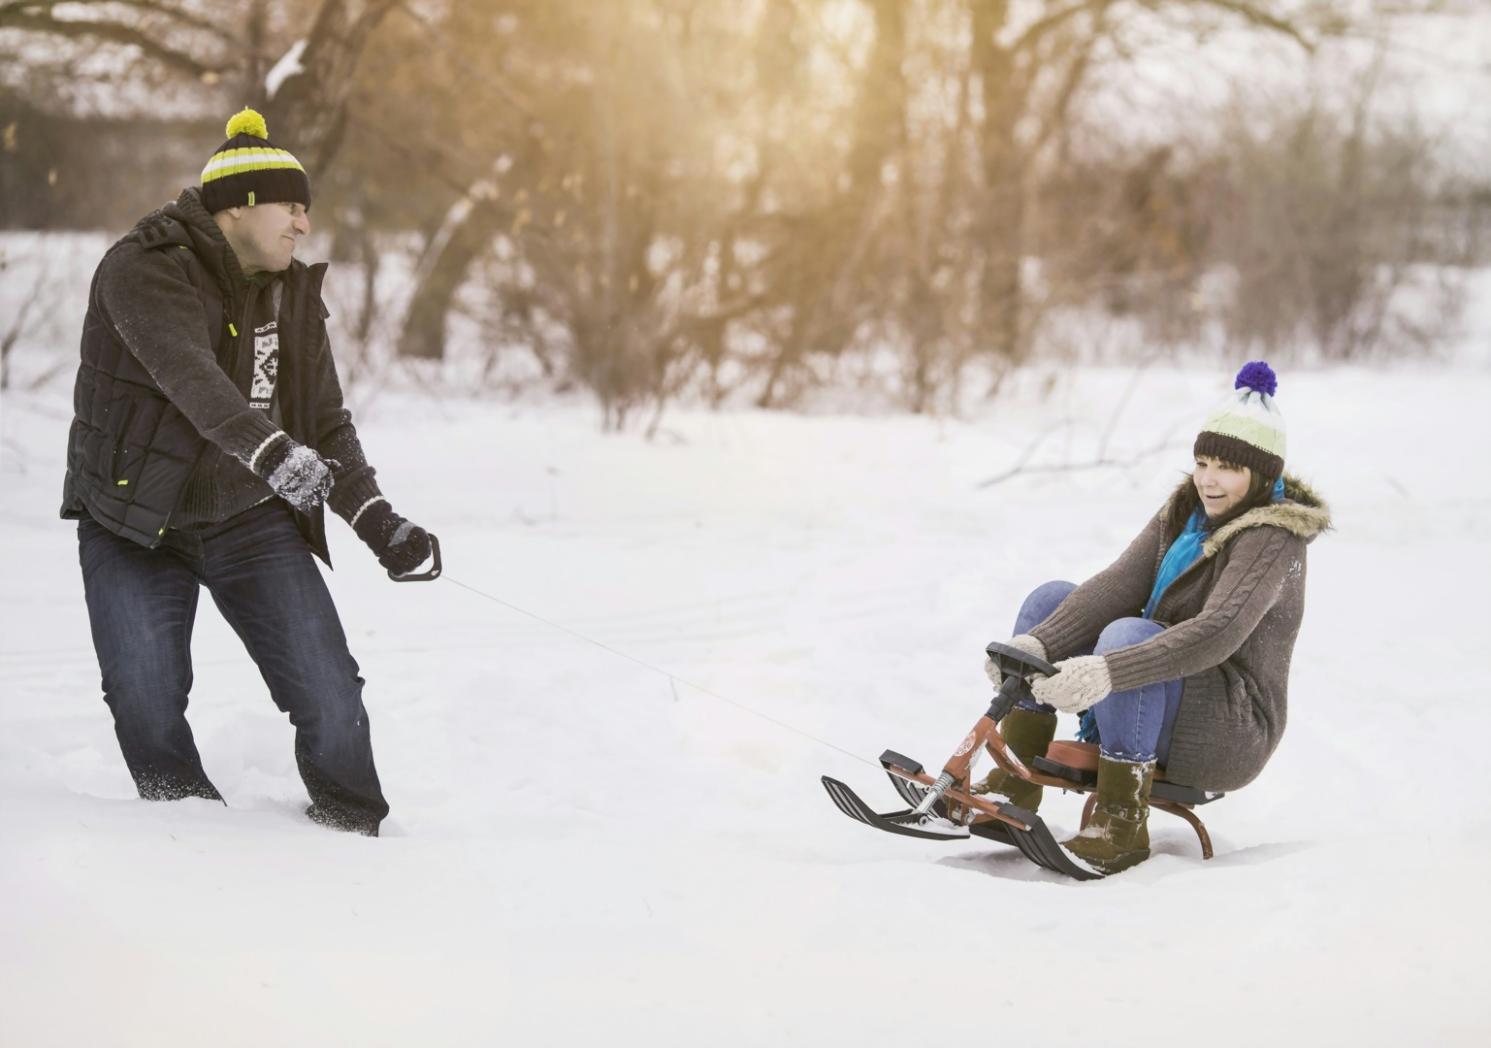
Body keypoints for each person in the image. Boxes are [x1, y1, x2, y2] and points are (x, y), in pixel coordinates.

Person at [61, 108, 432, 836]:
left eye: (307, 212)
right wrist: (274, 455)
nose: (303, 226)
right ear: (239, 207)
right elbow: (192, 380)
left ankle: (352, 833)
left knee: (329, 693)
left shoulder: (290, 293)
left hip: (244, 519)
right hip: (134, 521)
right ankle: (191, 842)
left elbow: (324, 423)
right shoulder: (142, 267)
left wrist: (377, 521)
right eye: (292, 208)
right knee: (145, 694)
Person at [975, 362, 1331, 874]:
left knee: (1126, 636)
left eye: (1227, 468)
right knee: (1049, 601)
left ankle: (1120, 822)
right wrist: (1037, 645)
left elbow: (1219, 631)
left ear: (1263, 476)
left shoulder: (1273, 537)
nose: (1208, 480)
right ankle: (1015, 781)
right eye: (1203, 461)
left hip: (1227, 725)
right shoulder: (1187, 510)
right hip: (1158, 692)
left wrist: (1108, 672)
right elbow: (1120, 583)